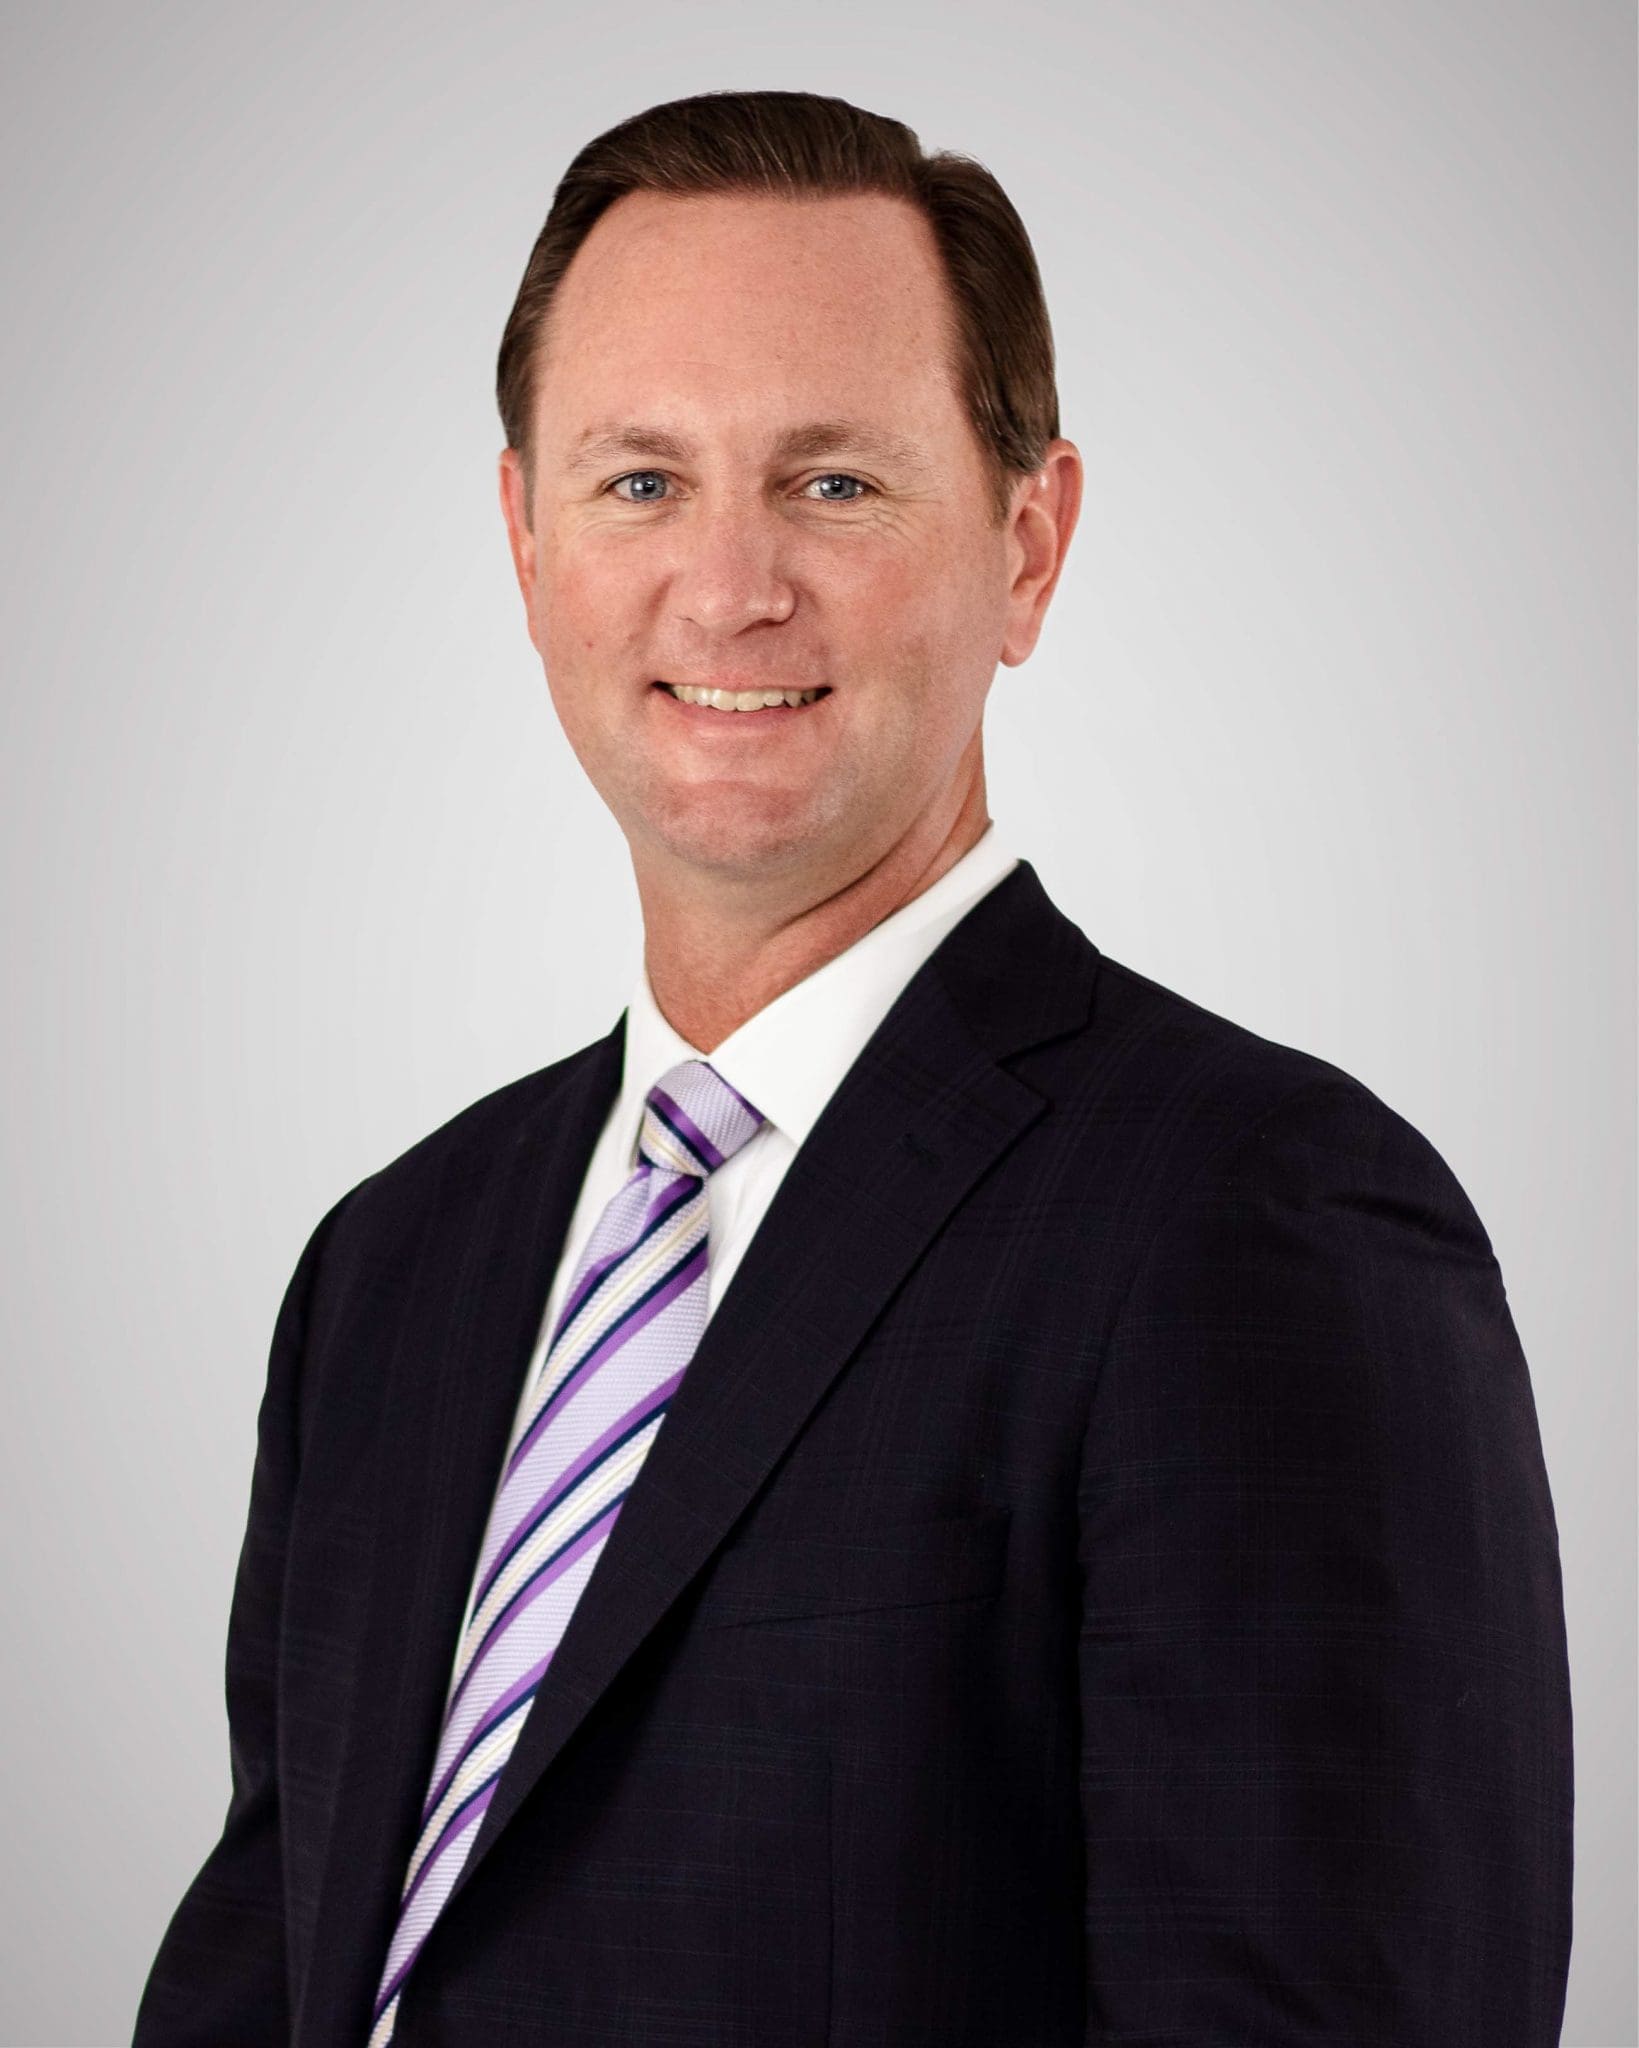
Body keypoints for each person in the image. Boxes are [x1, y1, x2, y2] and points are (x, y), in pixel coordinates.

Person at [133, 88, 1573, 2048]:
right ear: (524, 537)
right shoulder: (393, 1265)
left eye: (833, 483)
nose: (729, 587)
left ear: (1028, 544)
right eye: (641, 481)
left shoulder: (1259, 1220)